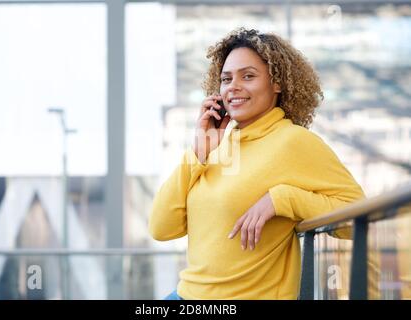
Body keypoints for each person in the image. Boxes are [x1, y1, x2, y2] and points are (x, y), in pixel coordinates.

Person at [149, 27, 365, 300]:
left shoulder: (294, 142)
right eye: (226, 79)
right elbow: (161, 228)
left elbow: (357, 217)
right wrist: (198, 152)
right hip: (185, 296)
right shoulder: (217, 146)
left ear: (277, 83)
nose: (233, 87)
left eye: (248, 76)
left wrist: (283, 199)